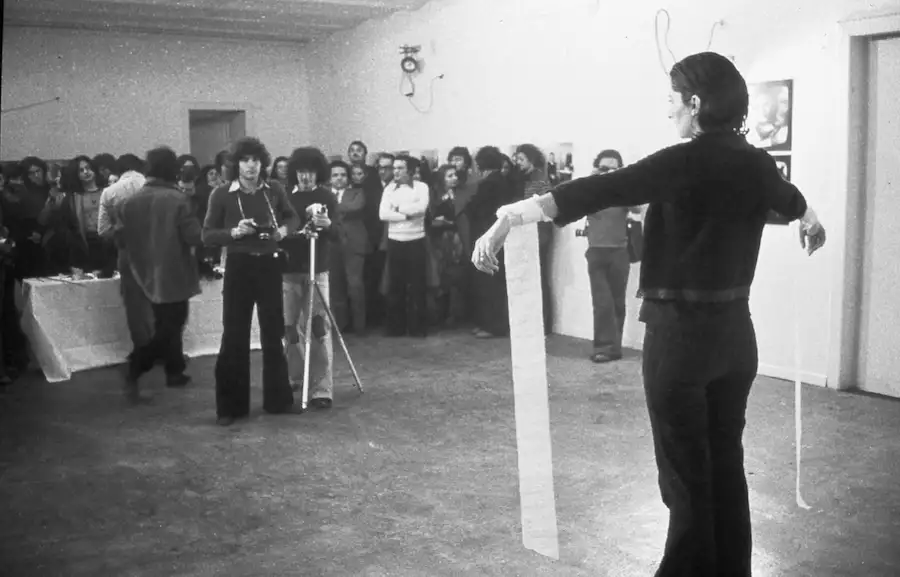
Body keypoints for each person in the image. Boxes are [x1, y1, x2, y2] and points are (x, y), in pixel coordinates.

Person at [471, 52, 827, 577]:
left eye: (671, 99)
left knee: (685, 477)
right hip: (735, 338)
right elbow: (791, 200)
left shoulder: (683, 161)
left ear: (695, 103)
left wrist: (509, 217)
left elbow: (601, 188)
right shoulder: (755, 161)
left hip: (681, 339)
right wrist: (810, 217)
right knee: (724, 464)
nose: (668, 111)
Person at [202, 137, 302, 426]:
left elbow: (292, 219)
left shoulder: (275, 190)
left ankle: (279, 401)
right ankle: (229, 408)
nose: (251, 166)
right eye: (245, 160)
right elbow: (207, 235)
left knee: (273, 334)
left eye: (255, 160)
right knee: (234, 335)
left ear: (262, 163)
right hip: (239, 266)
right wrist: (234, 232)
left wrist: (283, 231)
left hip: (269, 265)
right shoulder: (222, 194)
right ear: (236, 165)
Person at [120, 147, 202, 402]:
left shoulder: (131, 201)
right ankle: (137, 363)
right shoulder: (178, 200)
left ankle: (174, 371)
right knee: (173, 323)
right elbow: (193, 236)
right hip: (174, 270)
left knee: (164, 322)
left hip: (143, 271)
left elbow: (120, 237)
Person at [279, 147, 337, 408]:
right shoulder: (284, 197)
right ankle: (295, 375)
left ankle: (322, 389)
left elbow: (340, 235)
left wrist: (329, 226)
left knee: (318, 329)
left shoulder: (327, 197)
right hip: (289, 272)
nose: (306, 177)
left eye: (310, 172)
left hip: (318, 269)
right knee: (289, 328)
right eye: (301, 172)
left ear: (318, 173)